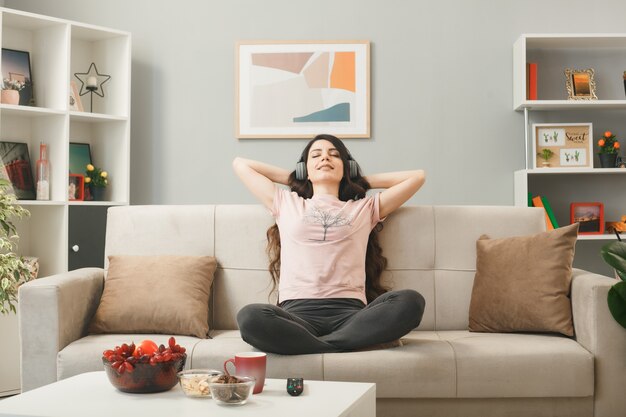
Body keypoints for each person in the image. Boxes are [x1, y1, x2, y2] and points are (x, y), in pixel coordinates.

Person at [232, 134, 426, 355]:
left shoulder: (363, 209)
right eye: (316, 155)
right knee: (249, 317)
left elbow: (417, 177)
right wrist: (299, 178)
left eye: (334, 155)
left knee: (411, 302)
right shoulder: (286, 203)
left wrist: (356, 179)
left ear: (347, 167)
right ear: (305, 168)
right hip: (297, 315)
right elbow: (241, 164)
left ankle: (315, 345)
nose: (325, 158)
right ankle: (346, 344)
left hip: (351, 315)